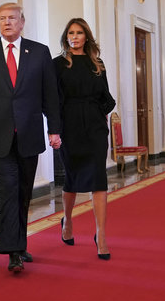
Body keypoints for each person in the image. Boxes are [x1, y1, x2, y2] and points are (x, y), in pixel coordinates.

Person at [0, 2, 61, 273]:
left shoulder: (39, 52)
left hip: (29, 135)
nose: (7, 22)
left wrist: (54, 129)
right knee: (9, 189)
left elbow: (50, 96)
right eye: (2, 18)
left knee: (23, 192)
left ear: (22, 22)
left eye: (12, 18)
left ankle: (18, 243)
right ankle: (12, 252)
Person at [54, 18, 116, 260]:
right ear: (66, 37)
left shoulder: (97, 63)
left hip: (95, 128)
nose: (75, 37)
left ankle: (101, 235)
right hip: (69, 127)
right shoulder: (57, 65)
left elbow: (106, 96)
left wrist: (100, 111)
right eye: (71, 32)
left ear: (86, 37)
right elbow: (53, 100)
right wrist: (55, 129)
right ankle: (67, 222)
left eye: (79, 33)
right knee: (71, 178)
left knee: (98, 178)